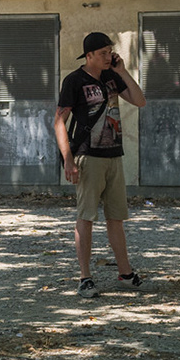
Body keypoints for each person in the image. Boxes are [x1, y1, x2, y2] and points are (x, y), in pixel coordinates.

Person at [55, 31, 147, 298]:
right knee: (86, 217)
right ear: (89, 56)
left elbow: (139, 100)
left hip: (113, 155)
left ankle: (125, 274)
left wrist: (123, 71)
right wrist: (68, 159)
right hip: (88, 156)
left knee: (116, 218)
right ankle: (85, 278)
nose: (108, 57)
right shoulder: (74, 81)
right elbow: (59, 121)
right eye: (103, 53)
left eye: (110, 52)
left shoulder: (112, 77)